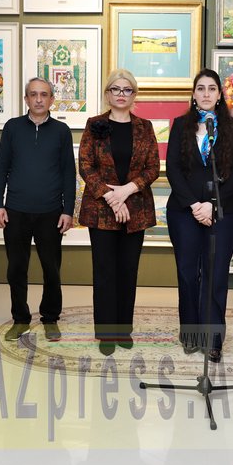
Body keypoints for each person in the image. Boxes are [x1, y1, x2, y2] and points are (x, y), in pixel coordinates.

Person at [165, 69, 233, 363]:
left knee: (215, 274)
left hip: (221, 211)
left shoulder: (232, 127)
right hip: (184, 211)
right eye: (201, 88)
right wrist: (194, 205)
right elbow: (173, 169)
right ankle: (190, 334)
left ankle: (212, 339)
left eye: (212, 88)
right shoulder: (180, 125)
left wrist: (211, 204)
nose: (206, 93)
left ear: (220, 94)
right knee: (188, 274)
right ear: (194, 94)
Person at [78, 69, 159, 356]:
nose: (121, 94)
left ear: (134, 95)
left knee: (128, 271)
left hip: (135, 210)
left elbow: (153, 168)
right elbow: (86, 166)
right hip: (101, 209)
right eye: (115, 89)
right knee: (104, 272)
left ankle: (124, 329)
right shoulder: (94, 124)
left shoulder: (145, 127)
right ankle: (106, 334)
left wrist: (126, 191)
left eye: (127, 89)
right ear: (107, 94)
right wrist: (113, 197)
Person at [0, 77, 75, 342]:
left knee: (52, 268)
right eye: (33, 94)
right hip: (15, 211)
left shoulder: (61, 131)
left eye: (44, 94)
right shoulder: (13, 128)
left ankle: (50, 318)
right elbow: (1, 168)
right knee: (16, 268)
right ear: (26, 99)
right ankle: (20, 319)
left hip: (51, 212)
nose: (39, 99)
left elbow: (68, 174)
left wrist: (68, 210)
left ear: (52, 99)